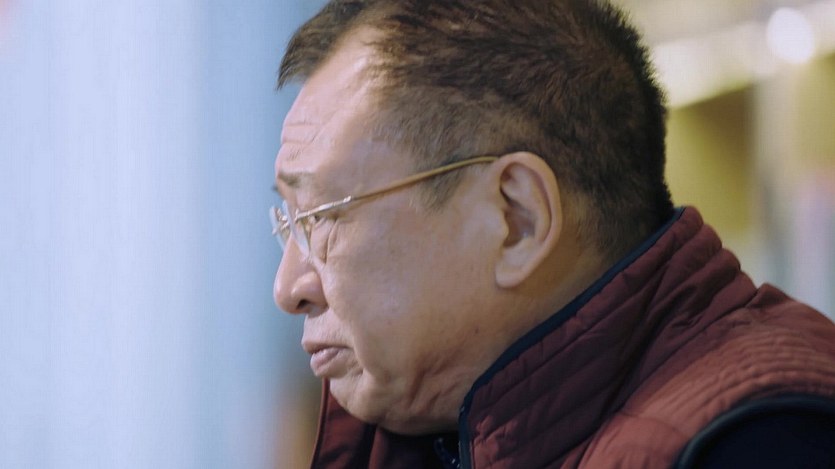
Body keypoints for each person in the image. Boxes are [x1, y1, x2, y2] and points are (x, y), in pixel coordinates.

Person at [269, 0, 835, 467]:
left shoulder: (764, 440)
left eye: (321, 216)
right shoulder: (425, 434)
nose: (288, 288)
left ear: (518, 220)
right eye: (288, 221)